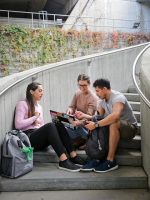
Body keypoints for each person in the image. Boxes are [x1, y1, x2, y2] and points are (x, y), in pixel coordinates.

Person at [15, 82, 86, 172]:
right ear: (31, 92)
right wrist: (34, 117)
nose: (42, 93)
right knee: (50, 126)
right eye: (40, 91)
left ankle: (73, 156)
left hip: (39, 138)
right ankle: (63, 160)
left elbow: (42, 126)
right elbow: (18, 125)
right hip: (28, 138)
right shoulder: (22, 104)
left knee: (59, 124)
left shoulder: (39, 107)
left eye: (42, 91)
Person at [75, 78, 138, 173]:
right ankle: (97, 157)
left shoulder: (118, 97)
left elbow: (116, 116)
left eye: (97, 91)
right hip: (115, 128)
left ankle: (110, 161)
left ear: (104, 89)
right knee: (96, 121)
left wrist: (96, 124)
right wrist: (85, 116)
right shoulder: (102, 101)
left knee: (111, 123)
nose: (96, 94)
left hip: (129, 129)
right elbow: (97, 118)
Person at [66, 74, 98, 149]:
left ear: (89, 84)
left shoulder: (92, 97)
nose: (82, 88)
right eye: (80, 85)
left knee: (73, 127)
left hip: (87, 125)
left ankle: (85, 137)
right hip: (77, 122)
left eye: (84, 85)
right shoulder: (77, 93)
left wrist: (77, 123)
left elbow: (88, 118)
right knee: (59, 125)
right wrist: (69, 110)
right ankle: (80, 138)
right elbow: (72, 107)